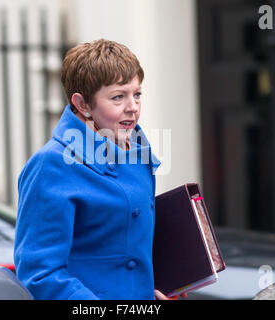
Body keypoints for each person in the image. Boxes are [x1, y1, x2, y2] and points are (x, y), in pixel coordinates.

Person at [14, 39, 182, 300]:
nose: (133, 107)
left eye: (137, 94)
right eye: (118, 97)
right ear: (82, 105)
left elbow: (129, 254)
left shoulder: (137, 152)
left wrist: (154, 290)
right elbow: (39, 274)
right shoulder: (50, 165)